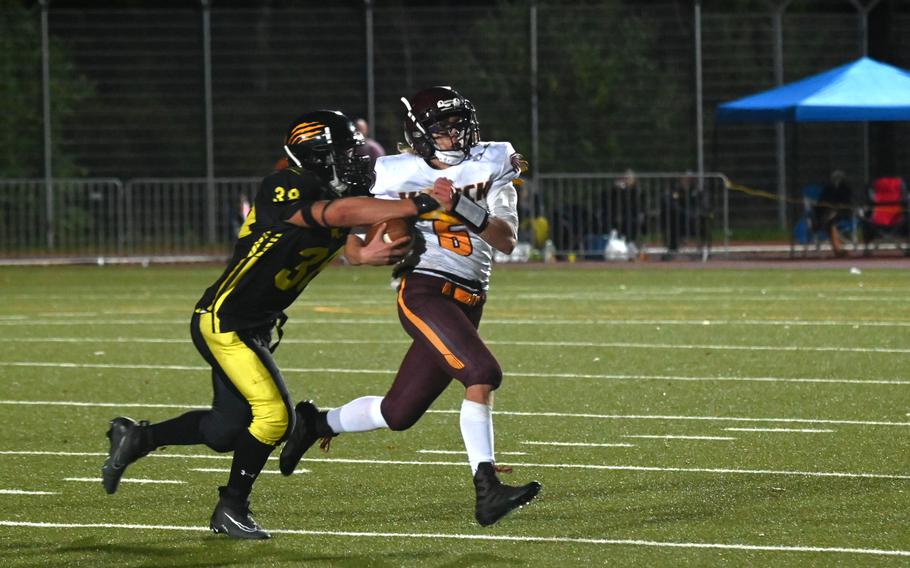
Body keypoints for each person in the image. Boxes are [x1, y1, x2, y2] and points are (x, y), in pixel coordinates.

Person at [100, 110, 438, 540]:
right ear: (316, 155)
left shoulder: (337, 193)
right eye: (345, 151)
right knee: (275, 419)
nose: (356, 158)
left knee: (225, 431)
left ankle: (137, 439)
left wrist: (370, 253)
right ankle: (231, 507)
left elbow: (353, 245)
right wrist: (415, 203)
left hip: (253, 325)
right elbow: (333, 215)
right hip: (226, 321)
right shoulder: (286, 185)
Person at [280, 86, 541, 527]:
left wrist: (460, 206)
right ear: (420, 136)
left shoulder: (495, 159)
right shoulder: (391, 172)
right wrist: (357, 253)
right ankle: (487, 489)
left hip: (470, 298)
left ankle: (315, 423)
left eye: (459, 124)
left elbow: (507, 241)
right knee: (482, 373)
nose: (455, 136)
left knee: (398, 413)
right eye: (443, 130)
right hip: (424, 290)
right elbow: (340, 210)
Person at [814, 169, 853, 256]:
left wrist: (836, 209)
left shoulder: (846, 189)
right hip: (825, 213)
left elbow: (846, 203)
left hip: (841, 214)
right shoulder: (828, 189)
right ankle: (837, 249)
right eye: (835, 178)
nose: (836, 180)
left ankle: (837, 249)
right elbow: (821, 202)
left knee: (831, 222)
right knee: (830, 222)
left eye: (839, 178)